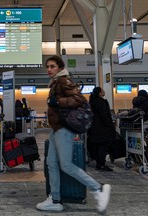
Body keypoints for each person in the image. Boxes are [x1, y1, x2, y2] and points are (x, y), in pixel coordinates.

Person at [36, 55, 111, 213]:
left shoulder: (64, 81)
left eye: (52, 66)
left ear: (60, 67)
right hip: (57, 129)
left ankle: (98, 189)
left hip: (64, 128)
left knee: (67, 165)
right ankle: (55, 199)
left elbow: (79, 99)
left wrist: (58, 102)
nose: (49, 69)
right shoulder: (56, 82)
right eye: (47, 67)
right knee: (51, 163)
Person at [88, 87, 116, 171]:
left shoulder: (92, 102)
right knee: (102, 146)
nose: (104, 91)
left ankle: (98, 164)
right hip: (102, 128)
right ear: (100, 93)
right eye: (102, 90)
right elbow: (104, 116)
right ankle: (102, 165)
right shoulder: (101, 102)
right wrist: (110, 125)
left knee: (96, 146)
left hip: (93, 128)